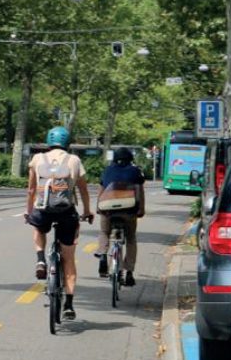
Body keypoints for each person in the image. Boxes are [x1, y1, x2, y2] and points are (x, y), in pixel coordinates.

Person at [25, 126, 93, 320]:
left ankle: (40, 259)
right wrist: (87, 211)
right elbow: (84, 191)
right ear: (67, 143)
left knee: (38, 227)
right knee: (69, 259)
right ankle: (69, 305)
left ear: (48, 141)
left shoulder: (37, 159)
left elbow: (31, 190)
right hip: (66, 212)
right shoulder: (74, 160)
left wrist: (29, 212)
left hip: (43, 209)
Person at [97, 147, 145, 286]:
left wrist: (99, 208)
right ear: (130, 159)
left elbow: (101, 190)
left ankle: (103, 256)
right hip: (128, 211)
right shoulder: (135, 171)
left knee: (104, 232)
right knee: (131, 238)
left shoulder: (107, 171)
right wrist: (141, 209)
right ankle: (129, 272)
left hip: (108, 211)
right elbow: (140, 192)